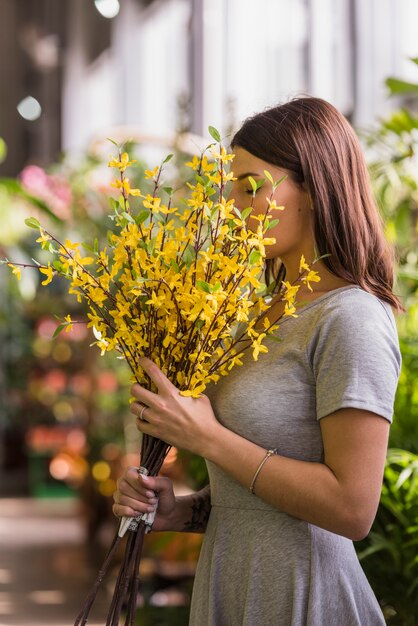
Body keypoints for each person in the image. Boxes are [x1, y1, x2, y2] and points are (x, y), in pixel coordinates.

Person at [112, 96, 402, 625]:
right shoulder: (253, 319)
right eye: (232, 189)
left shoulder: (350, 319)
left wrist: (207, 438)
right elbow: (250, 499)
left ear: (314, 187)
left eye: (252, 187)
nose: (234, 208)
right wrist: (179, 510)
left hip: (304, 597)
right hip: (231, 585)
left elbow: (352, 509)